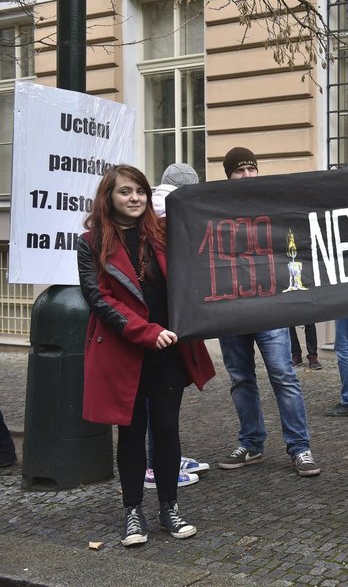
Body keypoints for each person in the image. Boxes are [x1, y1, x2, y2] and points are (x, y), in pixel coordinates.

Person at [76, 164, 216, 547]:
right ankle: (133, 512)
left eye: (139, 190)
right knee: (132, 433)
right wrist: (146, 332)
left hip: (169, 352)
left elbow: (196, 269)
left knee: (168, 431)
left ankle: (169, 507)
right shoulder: (90, 243)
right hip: (125, 354)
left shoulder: (163, 233)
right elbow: (98, 299)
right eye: (125, 192)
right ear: (109, 197)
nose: (135, 198)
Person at [216, 147, 321, 477]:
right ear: (228, 176)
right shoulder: (213, 207)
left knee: (283, 373)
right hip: (229, 307)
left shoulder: (273, 204)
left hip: (268, 303)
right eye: (239, 171)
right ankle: (251, 442)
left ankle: (299, 447)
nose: (247, 176)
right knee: (240, 378)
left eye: (251, 170)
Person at [145, 162, 209, 489]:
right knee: (157, 397)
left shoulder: (159, 215)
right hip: (159, 322)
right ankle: (156, 465)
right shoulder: (168, 218)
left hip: (163, 320)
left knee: (162, 397)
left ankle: (163, 457)